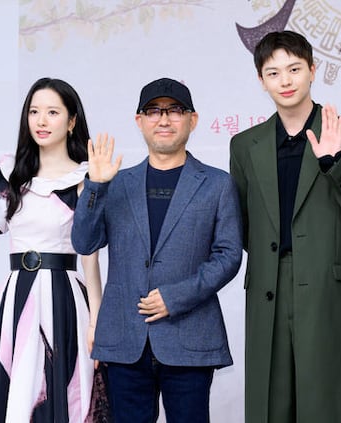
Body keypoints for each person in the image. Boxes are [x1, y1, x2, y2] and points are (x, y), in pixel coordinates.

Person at [71, 77, 242, 423]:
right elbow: (84, 243)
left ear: (192, 120)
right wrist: (95, 186)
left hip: (189, 337)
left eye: (174, 110)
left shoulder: (217, 183)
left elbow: (228, 255)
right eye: (153, 111)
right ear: (140, 121)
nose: (164, 119)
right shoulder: (116, 183)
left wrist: (174, 297)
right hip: (124, 340)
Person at [230, 30, 341, 423]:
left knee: (333, 403)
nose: (286, 80)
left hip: (331, 290)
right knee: (272, 402)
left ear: (313, 70)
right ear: (261, 80)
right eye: (273, 72)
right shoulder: (245, 145)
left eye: (294, 69)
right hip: (269, 287)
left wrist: (334, 164)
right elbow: (242, 221)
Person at [0, 77, 109, 422]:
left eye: (52, 112)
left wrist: (96, 322)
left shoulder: (85, 179)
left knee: (63, 391)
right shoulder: (9, 175)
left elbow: (90, 258)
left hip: (65, 299)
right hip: (16, 298)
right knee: (17, 391)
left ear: (71, 121)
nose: (41, 121)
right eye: (34, 112)